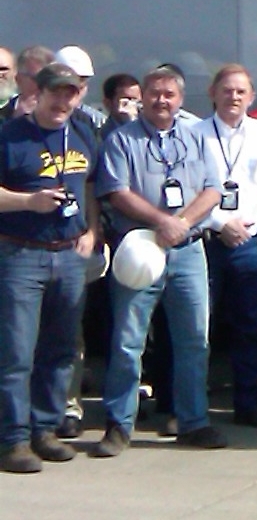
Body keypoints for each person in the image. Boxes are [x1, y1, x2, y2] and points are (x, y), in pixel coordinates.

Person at [93, 66, 225, 455]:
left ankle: (194, 422)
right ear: (141, 97)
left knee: (193, 341)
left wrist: (181, 223)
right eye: (153, 93)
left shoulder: (196, 138)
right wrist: (162, 222)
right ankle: (119, 426)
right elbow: (116, 191)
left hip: (188, 251)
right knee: (127, 340)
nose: (161, 100)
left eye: (169, 94)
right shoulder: (121, 140)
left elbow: (213, 189)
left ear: (181, 99)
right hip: (139, 248)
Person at [0, 62, 99, 472]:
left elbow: (92, 187)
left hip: (69, 255)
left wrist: (92, 231)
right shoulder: (10, 135)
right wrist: (28, 202)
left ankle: (45, 429)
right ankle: (13, 439)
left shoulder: (83, 133)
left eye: (71, 93)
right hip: (22, 254)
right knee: (17, 352)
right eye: (56, 92)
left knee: (60, 351)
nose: (63, 100)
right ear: (38, 92)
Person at [200, 65, 257, 430]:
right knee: (197, 325)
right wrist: (219, 224)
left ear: (251, 97)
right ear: (213, 92)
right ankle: (186, 406)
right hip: (205, 238)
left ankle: (248, 404)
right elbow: (190, 186)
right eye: (227, 90)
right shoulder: (194, 134)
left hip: (249, 242)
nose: (233, 97)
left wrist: (247, 227)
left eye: (241, 91)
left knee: (249, 324)